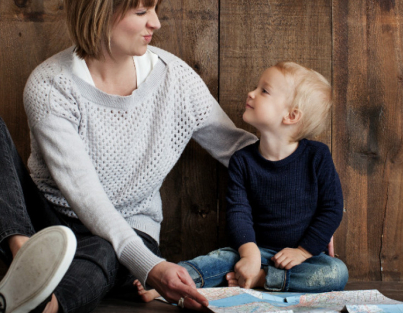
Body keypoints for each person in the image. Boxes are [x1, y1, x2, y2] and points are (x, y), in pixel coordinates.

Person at [0, 0, 256, 313]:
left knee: (104, 248)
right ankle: (27, 264)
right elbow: (86, 196)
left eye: (155, 9)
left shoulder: (175, 80)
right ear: (100, 12)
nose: (156, 23)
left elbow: (238, 149)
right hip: (47, 222)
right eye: (142, 12)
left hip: (130, 231)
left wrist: (314, 206)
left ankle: (42, 305)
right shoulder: (50, 85)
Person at [136, 61, 348, 303]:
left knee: (336, 272)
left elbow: (331, 209)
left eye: (264, 91)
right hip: (254, 249)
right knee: (218, 260)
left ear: (291, 115)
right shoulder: (243, 160)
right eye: (256, 87)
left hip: (302, 258)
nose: (251, 93)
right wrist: (249, 254)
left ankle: (261, 280)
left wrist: (303, 251)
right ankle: (168, 283)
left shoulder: (317, 156)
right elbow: (239, 212)